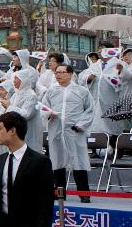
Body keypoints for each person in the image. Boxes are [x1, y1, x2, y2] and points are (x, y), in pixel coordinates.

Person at [40, 63, 94, 202]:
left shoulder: (81, 91)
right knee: (57, 161)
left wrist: (81, 124)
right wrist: (48, 114)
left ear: (70, 74)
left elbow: (90, 110)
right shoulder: (51, 91)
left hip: (74, 131)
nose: (58, 75)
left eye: (62, 72)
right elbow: (43, 107)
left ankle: (84, 193)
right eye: (57, 73)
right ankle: (59, 193)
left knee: (78, 161)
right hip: (56, 130)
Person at [6, 67, 45, 154]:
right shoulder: (15, 95)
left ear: (24, 80)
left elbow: (26, 114)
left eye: (17, 78)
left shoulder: (31, 95)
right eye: (14, 78)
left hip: (29, 132)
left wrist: (9, 107)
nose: (14, 81)